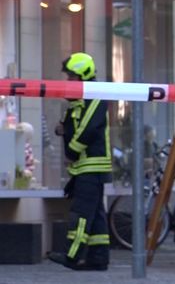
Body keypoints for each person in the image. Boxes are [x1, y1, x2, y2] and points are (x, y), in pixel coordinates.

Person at [48, 52, 112, 271]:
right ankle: (98, 258)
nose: (68, 82)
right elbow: (77, 124)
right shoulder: (82, 101)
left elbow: (90, 127)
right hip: (85, 167)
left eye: (71, 77)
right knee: (95, 215)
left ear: (83, 76)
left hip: (90, 166)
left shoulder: (95, 96)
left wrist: (72, 151)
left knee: (82, 212)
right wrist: (63, 129)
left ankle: (71, 255)